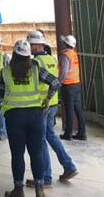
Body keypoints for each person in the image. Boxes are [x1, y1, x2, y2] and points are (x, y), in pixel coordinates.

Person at [0, 39, 59, 197]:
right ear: (28, 55)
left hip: (14, 117)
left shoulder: (5, 72)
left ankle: (18, 190)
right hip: (35, 116)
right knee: (36, 153)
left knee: (17, 154)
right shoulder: (36, 69)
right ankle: (40, 189)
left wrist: (7, 102)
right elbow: (55, 83)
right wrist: (47, 99)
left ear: (14, 54)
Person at [25, 30, 78, 188]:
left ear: (37, 45)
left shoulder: (35, 63)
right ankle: (69, 166)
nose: (29, 48)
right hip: (53, 103)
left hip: (41, 105)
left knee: (40, 141)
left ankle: (45, 177)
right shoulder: (51, 58)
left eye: (31, 45)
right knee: (50, 136)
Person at [58, 35, 87, 141]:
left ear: (66, 44)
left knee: (69, 110)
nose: (62, 43)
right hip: (76, 84)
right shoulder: (73, 54)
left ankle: (68, 133)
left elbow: (64, 72)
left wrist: (58, 82)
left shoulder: (65, 55)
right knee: (78, 109)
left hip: (68, 86)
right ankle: (82, 132)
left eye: (63, 42)